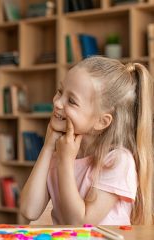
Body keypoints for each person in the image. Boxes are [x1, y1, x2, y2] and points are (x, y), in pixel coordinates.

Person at [20, 56, 153, 225]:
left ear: (101, 122)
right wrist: (47, 147)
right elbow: (29, 210)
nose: (57, 102)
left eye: (72, 101)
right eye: (60, 91)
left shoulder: (117, 161)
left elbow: (81, 224)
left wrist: (65, 162)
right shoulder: (62, 151)